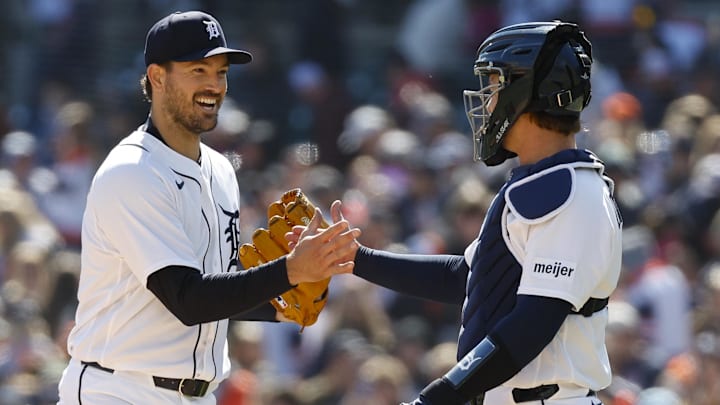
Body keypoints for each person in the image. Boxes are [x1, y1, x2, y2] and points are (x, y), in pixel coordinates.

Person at [293, 21, 623, 405]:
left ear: (526, 94)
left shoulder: (571, 193)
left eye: (496, 84)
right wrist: (356, 259)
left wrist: (436, 398)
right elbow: (468, 278)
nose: (486, 100)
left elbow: (532, 325)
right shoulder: (545, 182)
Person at [55, 10, 360, 404]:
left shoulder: (220, 169)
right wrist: (288, 271)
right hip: (118, 389)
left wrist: (280, 305)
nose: (214, 85)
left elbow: (220, 285)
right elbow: (187, 298)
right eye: (198, 70)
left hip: (197, 394)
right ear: (157, 76)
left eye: (221, 72)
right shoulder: (132, 171)